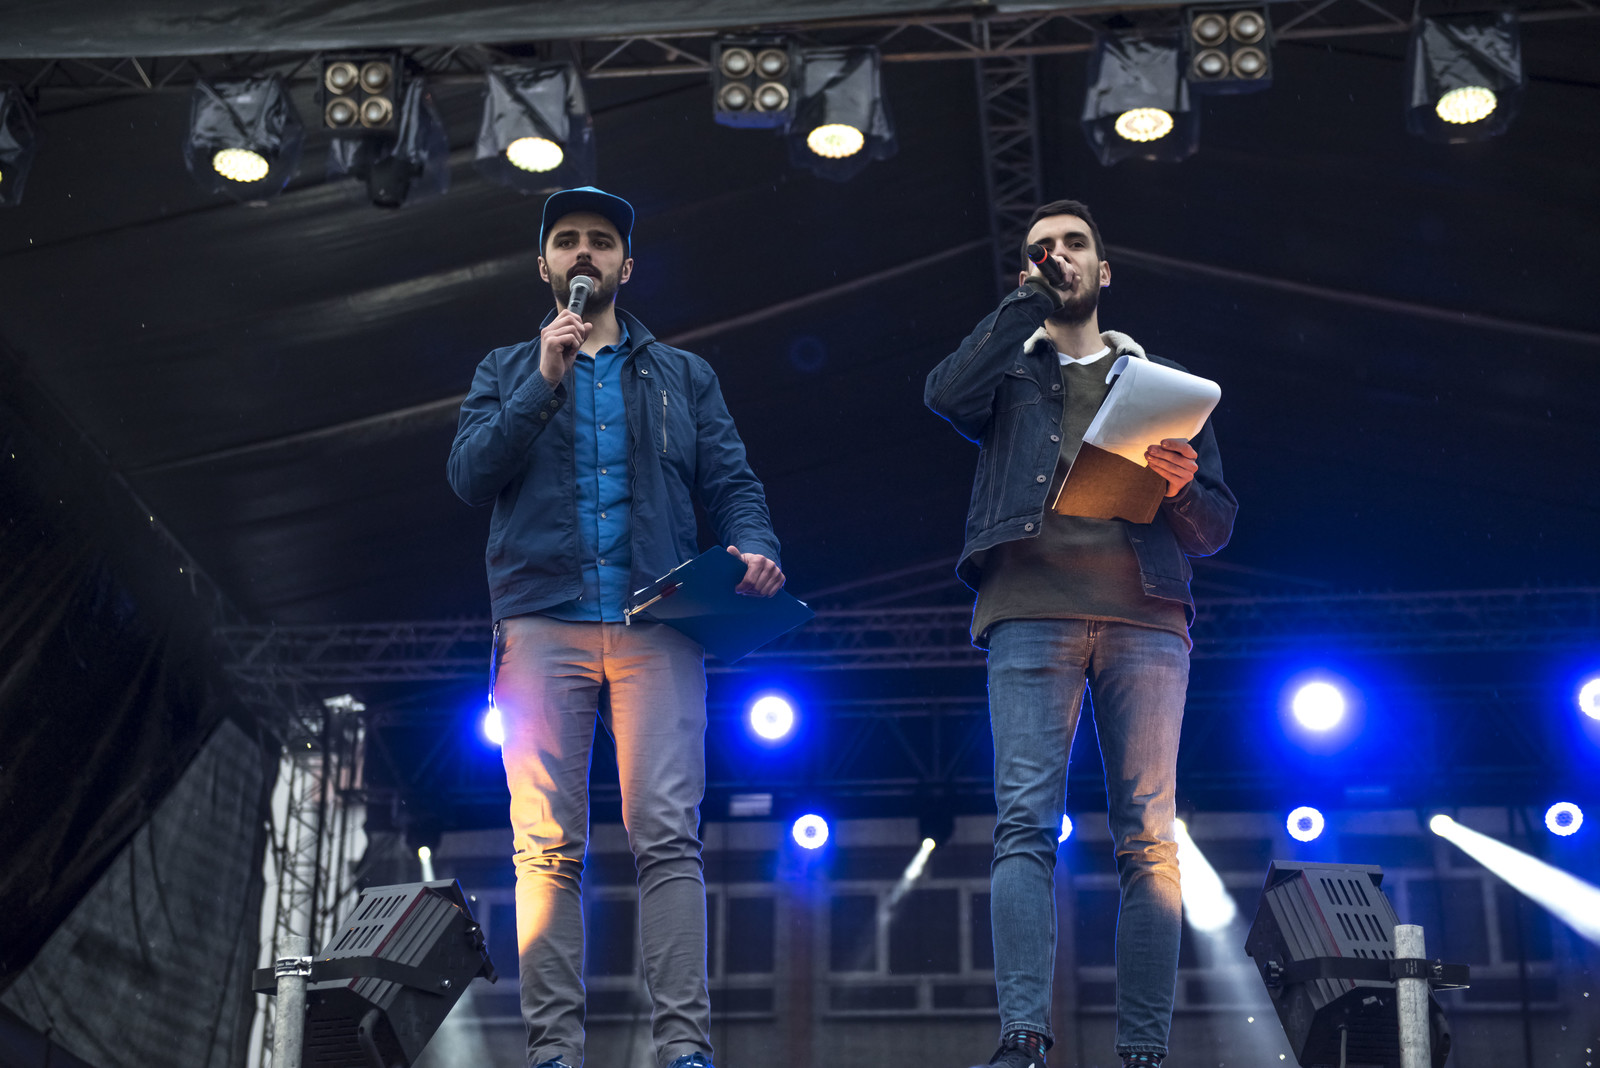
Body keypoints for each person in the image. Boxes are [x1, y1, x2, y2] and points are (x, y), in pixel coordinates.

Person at [447, 186, 784, 1068]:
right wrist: (542, 381)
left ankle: (683, 1050)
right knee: (545, 848)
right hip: (540, 626)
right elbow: (469, 476)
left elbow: (732, 481)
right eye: (567, 241)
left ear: (626, 267)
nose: (584, 253)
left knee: (667, 837)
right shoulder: (505, 369)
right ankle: (553, 1053)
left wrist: (756, 545)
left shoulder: (685, 376)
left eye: (601, 241)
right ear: (545, 266)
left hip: (656, 623)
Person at [924, 199, 1237, 1068]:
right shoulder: (1008, 375)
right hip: (1029, 608)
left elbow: (1214, 528)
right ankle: (1024, 1037)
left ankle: (1143, 1050)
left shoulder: (1168, 387)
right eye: (1039, 250)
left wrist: (1180, 488)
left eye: (1073, 245)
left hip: (1148, 615)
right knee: (1025, 823)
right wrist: (1027, 302)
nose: (1056, 255)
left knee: (1149, 837)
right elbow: (943, 393)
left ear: (1105, 270)